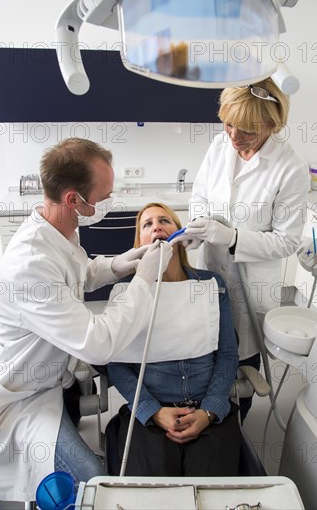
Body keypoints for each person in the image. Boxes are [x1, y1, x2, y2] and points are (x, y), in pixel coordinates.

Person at [0, 138, 172, 502]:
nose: (106, 205)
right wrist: (145, 281)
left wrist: (121, 263)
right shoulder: (30, 263)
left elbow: (80, 273)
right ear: (73, 199)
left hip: (52, 382)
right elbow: (97, 343)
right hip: (22, 400)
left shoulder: (59, 231)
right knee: (94, 485)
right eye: (102, 199)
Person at [185, 79, 310, 422]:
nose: (235, 137)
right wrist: (199, 225)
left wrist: (232, 237)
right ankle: (206, 418)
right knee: (207, 347)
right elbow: (199, 194)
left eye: (248, 131)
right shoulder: (219, 144)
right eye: (228, 124)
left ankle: (236, 425)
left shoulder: (291, 168)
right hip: (210, 269)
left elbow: (286, 241)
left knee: (241, 359)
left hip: (252, 285)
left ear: (273, 124)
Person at [107, 203, 240, 476]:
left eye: (164, 220)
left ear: (180, 236)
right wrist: (153, 411)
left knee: (213, 485)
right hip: (151, 416)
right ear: (139, 244)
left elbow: (227, 354)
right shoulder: (125, 295)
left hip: (206, 410)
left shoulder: (210, 286)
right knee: (153, 489)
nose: (156, 226)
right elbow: (117, 365)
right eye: (147, 224)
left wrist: (210, 411)